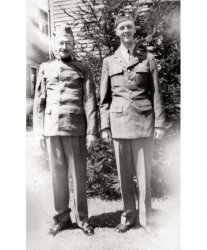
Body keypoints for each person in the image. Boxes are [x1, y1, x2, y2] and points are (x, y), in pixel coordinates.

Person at [100, 12, 166, 233]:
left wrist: (159, 124)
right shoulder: (109, 62)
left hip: (143, 122)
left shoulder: (148, 59)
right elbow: (104, 99)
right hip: (118, 124)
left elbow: (156, 93)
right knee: (124, 175)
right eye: (121, 28)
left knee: (144, 175)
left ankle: (146, 220)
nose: (125, 31)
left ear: (135, 29)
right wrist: (105, 127)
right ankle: (128, 217)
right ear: (116, 32)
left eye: (129, 27)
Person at [33, 23, 98, 236]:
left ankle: (82, 220)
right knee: (57, 177)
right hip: (52, 128)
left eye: (68, 43)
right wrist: (38, 130)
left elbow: (90, 100)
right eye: (61, 43)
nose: (64, 47)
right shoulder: (44, 68)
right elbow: (39, 102)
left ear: (73, 45)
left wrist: (91, 131)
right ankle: (62, 218)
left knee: (79, 176)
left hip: (76, 128)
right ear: (54, 46)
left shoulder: (82, 68)